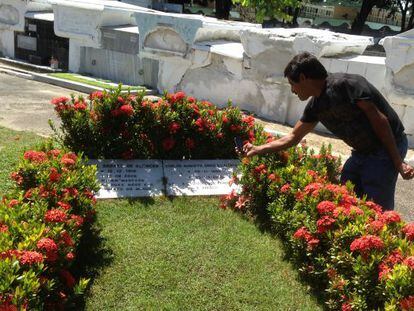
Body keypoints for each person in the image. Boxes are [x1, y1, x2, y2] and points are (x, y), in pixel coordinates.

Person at [241, 52, 414, 210]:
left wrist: (398, 162)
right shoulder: (315, 106)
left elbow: (381, 121)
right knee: (347, 192)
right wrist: (258, 149)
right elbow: (294, 137)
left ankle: (380, 240)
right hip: (362, 153)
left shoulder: (348, 85)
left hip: (387, 147)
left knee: (378, 206)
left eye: (293, 84)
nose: (293, 90)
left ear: (303, 77)